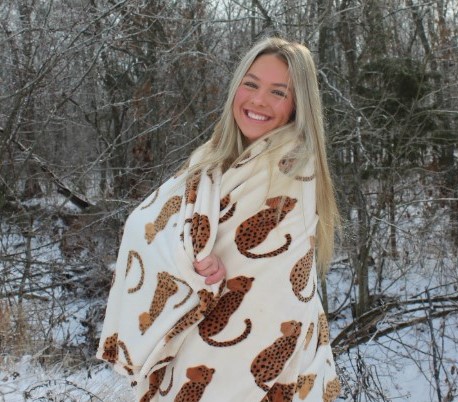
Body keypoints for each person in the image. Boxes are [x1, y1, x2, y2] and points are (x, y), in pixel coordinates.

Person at [96, 36, 341, 402]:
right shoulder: (209, 159)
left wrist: (196, 256)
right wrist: (186, 257)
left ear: (297, 106)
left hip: (251, 375)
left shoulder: (291, 170)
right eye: (251, 84)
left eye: (278, 92)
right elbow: (145, 225)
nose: (258, 101)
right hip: (192, 355)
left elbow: (270, 298)